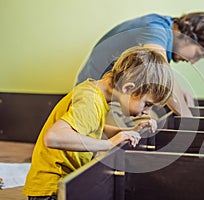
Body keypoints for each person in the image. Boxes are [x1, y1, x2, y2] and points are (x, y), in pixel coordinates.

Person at [22, 46, 173, 200]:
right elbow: (54, 137)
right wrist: (109, 144)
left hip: (63, 185)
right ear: (128, 88)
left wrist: (126, 132)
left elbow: (90, 128)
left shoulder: (96, 94)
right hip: (51, 191)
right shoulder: (90, 99)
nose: (147, 112)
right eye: (147, 104)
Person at [76, 12, 204, 116]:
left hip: (112, 96)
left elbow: (163, 78)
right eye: (198, 54)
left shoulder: (164, 31)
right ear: (189, 37)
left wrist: (181, 94)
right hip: (89, 98)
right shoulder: (156, 29)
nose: (193, 61)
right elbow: (159, 72)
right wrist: (187, 116)